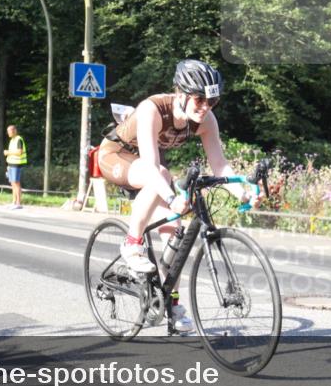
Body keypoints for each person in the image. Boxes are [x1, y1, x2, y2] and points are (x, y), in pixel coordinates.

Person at [98, 59, 258, 331]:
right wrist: (172, 198)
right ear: (181, 94)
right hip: (115, 156)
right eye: (199, 99)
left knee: (176, 237)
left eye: (212, 101)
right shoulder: (153, 109)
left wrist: (243, 193)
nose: (206, 106)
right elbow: (150, 165)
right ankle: (132, 242)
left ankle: (169, 302)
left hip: (150, 168)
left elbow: (220, 165)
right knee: (161, 173)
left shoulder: (206, 120)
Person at [3, 125, 27, 209]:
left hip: (17, 164)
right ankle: (13, 202)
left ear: (15, 131)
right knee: (13, 184)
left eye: (10, 131)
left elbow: (19, 152)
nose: (9, 133)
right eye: (8, 131)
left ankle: (18, 203)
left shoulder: (18, 139)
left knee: (16, 183)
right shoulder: (12, 140)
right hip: (11, 164)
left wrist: (8, 152)